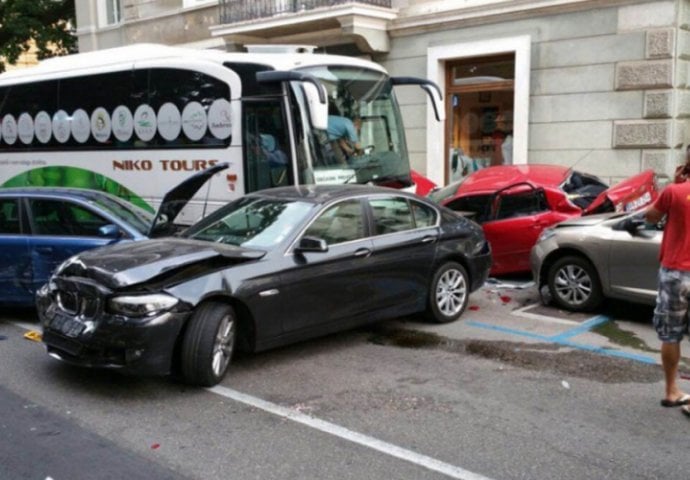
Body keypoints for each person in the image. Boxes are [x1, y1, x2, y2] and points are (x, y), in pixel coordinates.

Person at [644, 148, 690, 414]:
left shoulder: (675, 192)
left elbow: (651, 216)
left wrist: (676, 185)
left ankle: (672, 390)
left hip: (675, 272)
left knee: (671, 334)